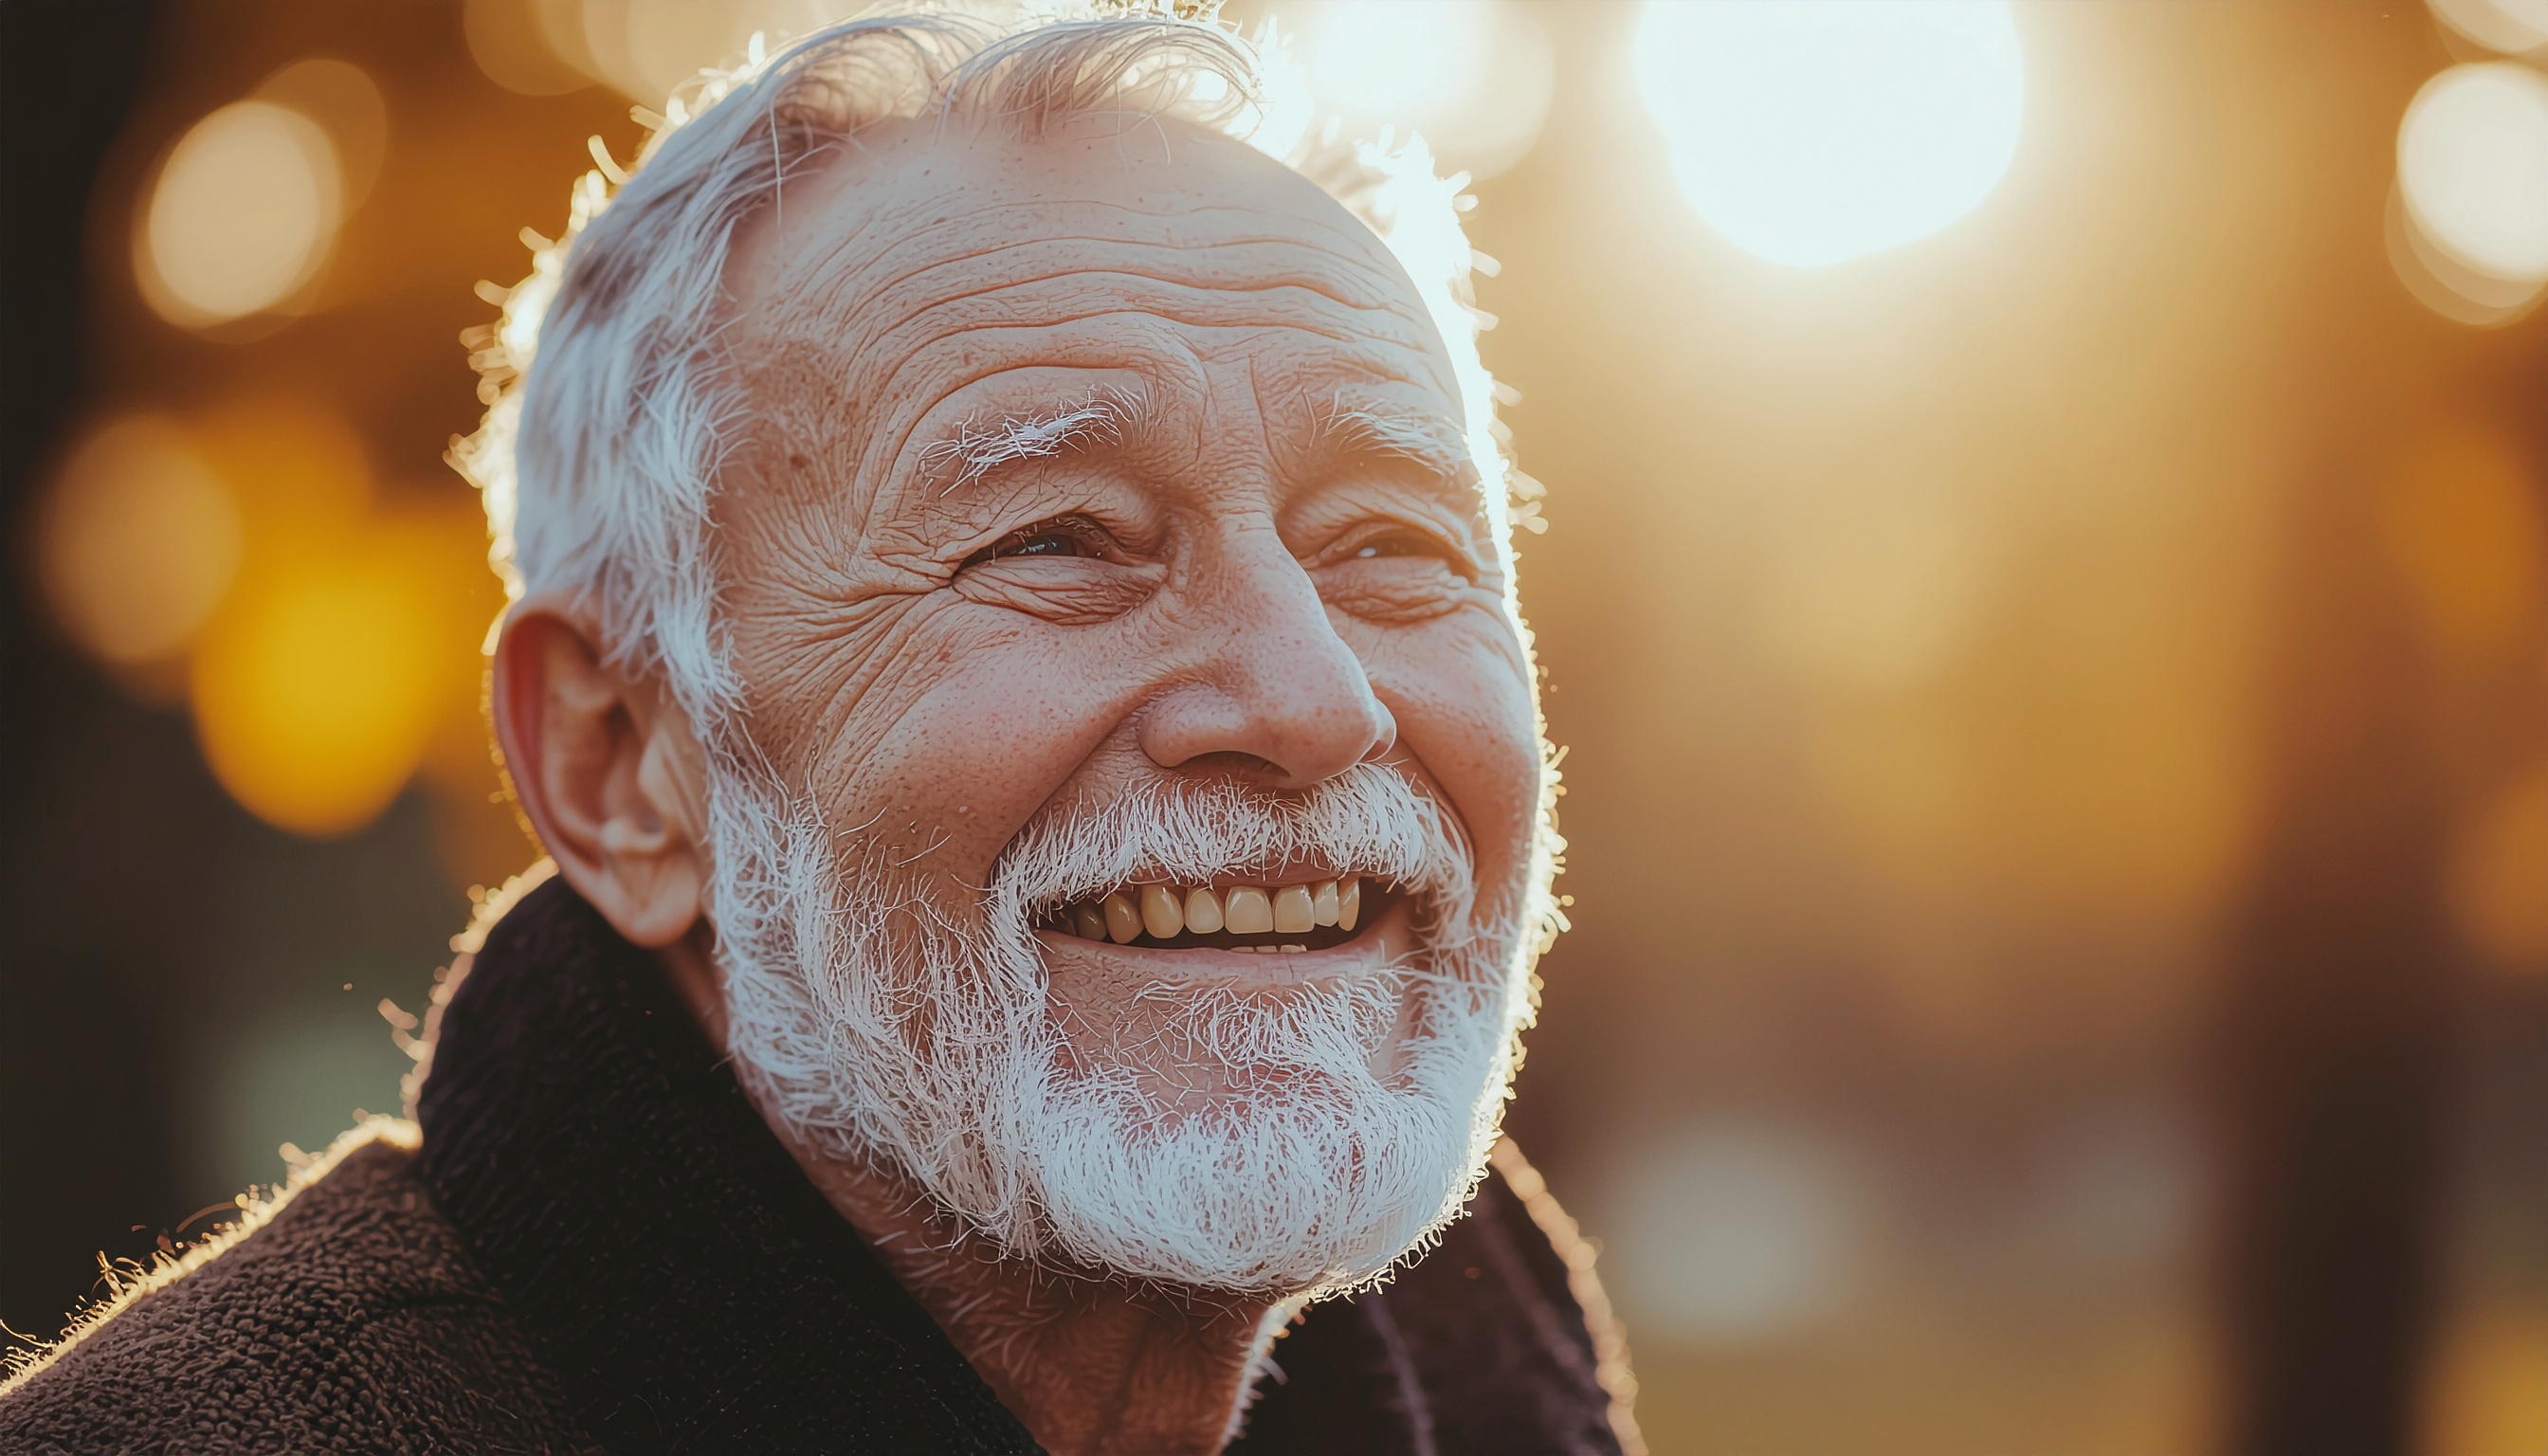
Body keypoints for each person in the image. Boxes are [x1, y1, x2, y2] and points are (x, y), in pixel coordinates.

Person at [0, 8, 1634, 1452]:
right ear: (621, 770)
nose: (1312, 700)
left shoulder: (1482, 1374)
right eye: (1055, 541)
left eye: (1394, 550)